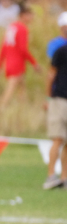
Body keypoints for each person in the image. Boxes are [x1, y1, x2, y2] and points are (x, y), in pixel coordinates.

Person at [0, 6, 41, 107]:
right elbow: (23, 49)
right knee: (11, 89)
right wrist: (34, 63)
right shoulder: (23, 29)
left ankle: (22, 111)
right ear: (23, 15)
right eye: (29, 15)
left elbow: (3, 47)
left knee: (22, 88)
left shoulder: (11, 27)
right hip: (17, 64)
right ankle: (1, 108)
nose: (31, 18)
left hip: (10, 62)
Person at [44, 39, 67, 189]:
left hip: (60, 100)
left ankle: (64, 178)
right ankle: (51, 176)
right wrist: (48, 98)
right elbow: (51, 75)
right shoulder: (61, 51)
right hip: (59, 99)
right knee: (58, 140)